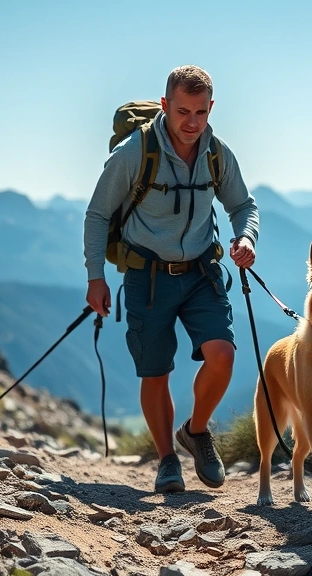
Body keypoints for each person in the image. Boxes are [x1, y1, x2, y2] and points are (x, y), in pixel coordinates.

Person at [83, 65, 259, 493]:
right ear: (165, 105)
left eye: (201, 112)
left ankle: (195, 431)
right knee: (155, 371)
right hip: (147, 277)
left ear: (211, 107)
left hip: (202, 271)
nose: (192, 122)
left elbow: (243, 206)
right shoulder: (134, 152)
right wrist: (96, 277)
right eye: (182, 111)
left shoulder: (217, 154)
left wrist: (246, 237)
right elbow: (98, 214)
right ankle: (166, 460)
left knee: (223, 355)